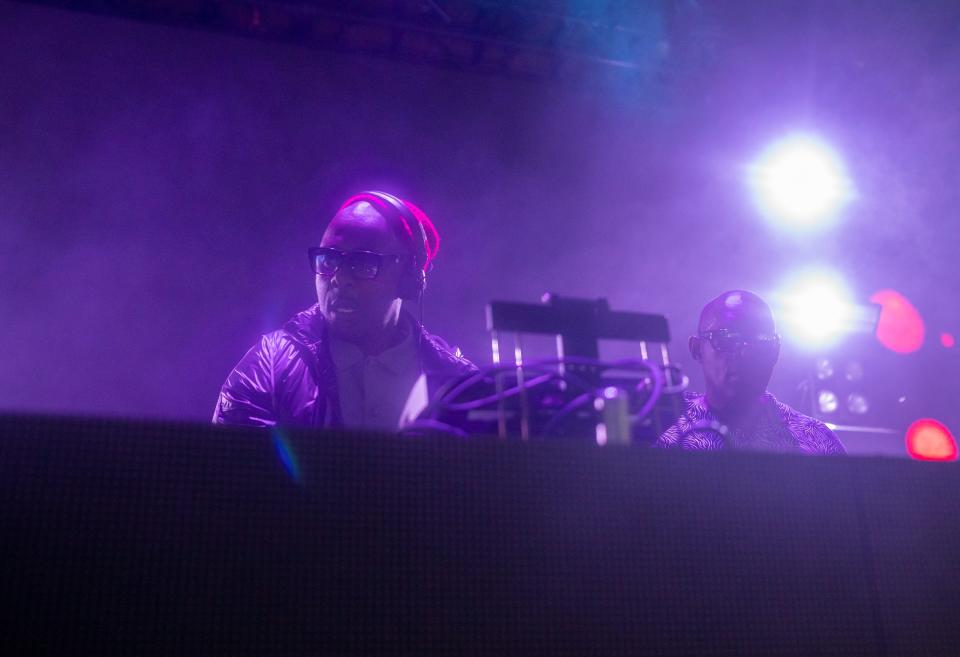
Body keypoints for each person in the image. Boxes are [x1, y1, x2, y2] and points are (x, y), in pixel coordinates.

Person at [213, 191, 476, 430]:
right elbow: (230, 474)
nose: (339, 279)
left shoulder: (458, 385)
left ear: (409, 277)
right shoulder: (268, 367)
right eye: (329, 259)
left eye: (362, 263)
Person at [657, 290, 845, 454]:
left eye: (761, 341)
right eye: (726, 338)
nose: (745, 353)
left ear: (776, 351)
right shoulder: (659, 425)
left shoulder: (817, 441)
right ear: (697, 349)